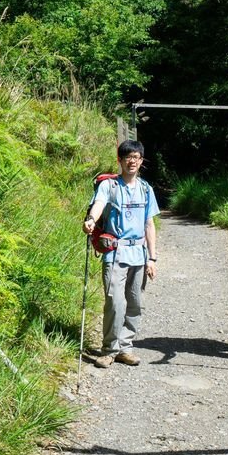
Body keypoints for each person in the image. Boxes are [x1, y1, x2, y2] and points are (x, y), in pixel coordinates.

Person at [83, 140, 160, 368]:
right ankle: (109, 349)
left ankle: (125, 348)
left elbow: (149, 224)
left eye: (136, 157)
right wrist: (91, 220)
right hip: (115, 254)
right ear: (120, 160)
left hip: (139, 253)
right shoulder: (109, 186)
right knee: (115, 303)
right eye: (127, 157)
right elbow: (98, 204)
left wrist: (152, 258)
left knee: (135, 303)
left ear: (141, 161)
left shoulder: (146, 188)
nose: (132, 161)